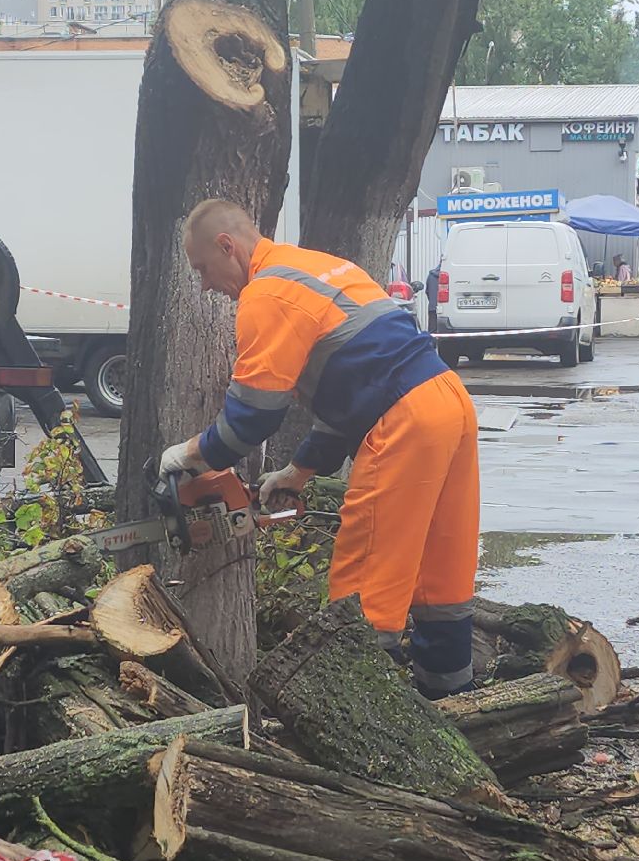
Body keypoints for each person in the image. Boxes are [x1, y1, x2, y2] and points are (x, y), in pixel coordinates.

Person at [159, 199, 481, 696]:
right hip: (447, 402)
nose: (204, 284)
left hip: (405, 418)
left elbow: (253, 417)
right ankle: (455, 703)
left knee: (364, 583)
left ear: (228, 246)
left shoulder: (267, 294)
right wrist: (301, 470)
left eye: (202, 268)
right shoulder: (317, 267)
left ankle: (364, 718)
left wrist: (188, 456)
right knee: (441, 574)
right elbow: (358, 384)